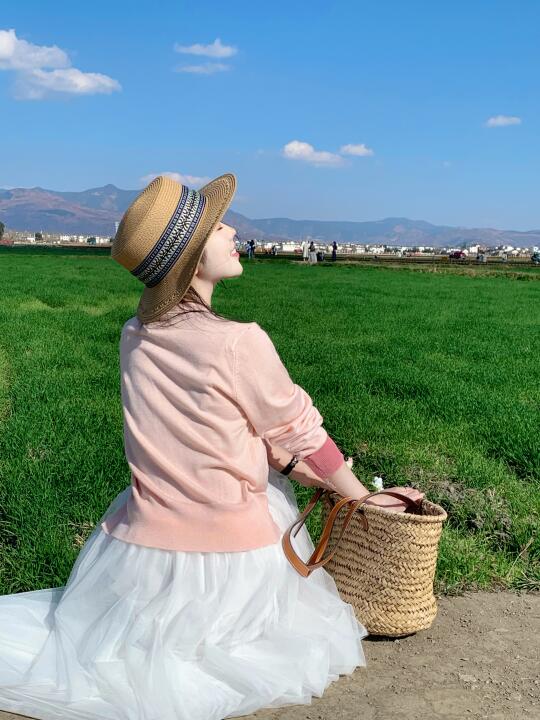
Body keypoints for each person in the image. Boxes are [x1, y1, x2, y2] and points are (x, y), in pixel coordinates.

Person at [0, 173, 423, 720]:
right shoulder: (238, 341)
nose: (234, 231)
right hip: (230, 558)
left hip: (139, 549)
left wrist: (285, 460)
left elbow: (211, 430)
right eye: (220, 226)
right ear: (194, 259)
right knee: (292, 643)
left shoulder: (137, 334)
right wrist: (363, 499)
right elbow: (301, 432)